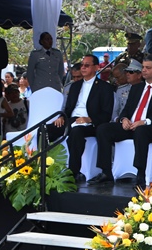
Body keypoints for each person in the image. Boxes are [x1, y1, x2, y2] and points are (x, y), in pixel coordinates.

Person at [89, 56, 152, 188]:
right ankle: (106, 171)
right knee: (103, 129)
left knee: (141, 131)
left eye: (148, 68)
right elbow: (126, 110)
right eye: (143, 67)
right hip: (132, 126)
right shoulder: (136, 88)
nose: (144, 70)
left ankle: (140, 173)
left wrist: (145, 121)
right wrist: (124, 119)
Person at [47, 54, 114, 184]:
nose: (83, 68)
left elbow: (106, 114)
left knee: (76, 132)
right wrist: (62, 117)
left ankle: (73, 172)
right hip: (72, 120)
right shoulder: (75, 86)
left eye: (87, 65)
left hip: (91, 123)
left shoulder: (104, 87)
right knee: (44, 130)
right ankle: (43, 167)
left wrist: (89, 119)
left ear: (96, 67)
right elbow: (68, 108)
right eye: (82, 65)